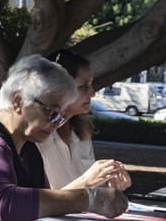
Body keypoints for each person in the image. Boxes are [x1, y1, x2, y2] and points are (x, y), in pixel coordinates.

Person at [0, 55, 129, 221]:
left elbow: (44, 204)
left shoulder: (28, 146)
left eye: (61, 117)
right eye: (52, 113)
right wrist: (89, 198)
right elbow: (3, 203)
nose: (55, 124)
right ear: (18, 100)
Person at [39, 49, 132, 190]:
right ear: (58, 88)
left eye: (91, 85)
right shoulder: (36, 135)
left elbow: (87, 192)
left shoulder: (81, 132)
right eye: (84, 86)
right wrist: (87, 181)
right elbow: (38, 203)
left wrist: (108, 181)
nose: (92, 93)